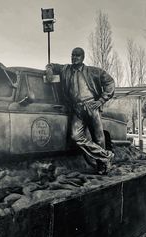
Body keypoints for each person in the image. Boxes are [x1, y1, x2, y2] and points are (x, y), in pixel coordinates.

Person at [46, 47, 115, 175]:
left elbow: (110, 82)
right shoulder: (65, 69)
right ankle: (105, 155)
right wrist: (49, 71)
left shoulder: (93, 71)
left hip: (92, 106)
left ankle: (102, 166)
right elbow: (51, 65)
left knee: (99, 138)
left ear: (83, 57)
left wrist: (101, 100)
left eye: (77, 56)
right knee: (76, 136)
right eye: (72, 55)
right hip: (77, 108)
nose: (74, 58)